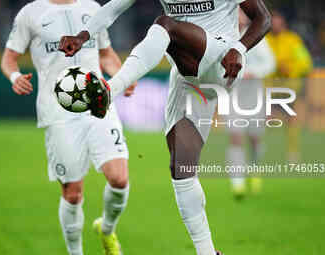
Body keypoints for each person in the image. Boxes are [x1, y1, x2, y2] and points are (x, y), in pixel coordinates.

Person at [59, 0, 271, 254]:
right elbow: (114, 7)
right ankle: (208, 251)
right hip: (187, 79)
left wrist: (240, 47)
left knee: (165, 25)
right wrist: (82, 36)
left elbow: (263, 18)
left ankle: (109, 90)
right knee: (181, 169)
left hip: (224, 62)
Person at [1, 1, 137, 255]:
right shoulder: (30, 14)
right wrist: (14, 77)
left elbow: (105, 53)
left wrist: (122, 76)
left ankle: (106, 230)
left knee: (120, 179)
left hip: (97, 103)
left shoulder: (92, 7)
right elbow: (9, 58)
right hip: (57, 112)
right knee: (73, 194)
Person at [226, 10, 275, 199]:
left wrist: (253, 72)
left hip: (254, 95)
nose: (239, 15)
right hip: (232, 96)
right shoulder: (224, 35)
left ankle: (255, 170)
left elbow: (270, 63)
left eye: (241, 11)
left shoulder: (256, 35)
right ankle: (237, 183)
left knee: (255, 139)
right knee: (235, 137)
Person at [266, 10, 313, 163]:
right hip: (270, 90)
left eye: (278, 22)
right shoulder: (264, 40)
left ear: (283, 23)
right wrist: (275, 67)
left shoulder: (293, 40)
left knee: (291, 121)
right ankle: (266, 152)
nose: (275, 25)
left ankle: (292, 153)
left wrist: (290, 68)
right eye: (272, 22)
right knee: (266, 120)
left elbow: (305, 62)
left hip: (289, 89)